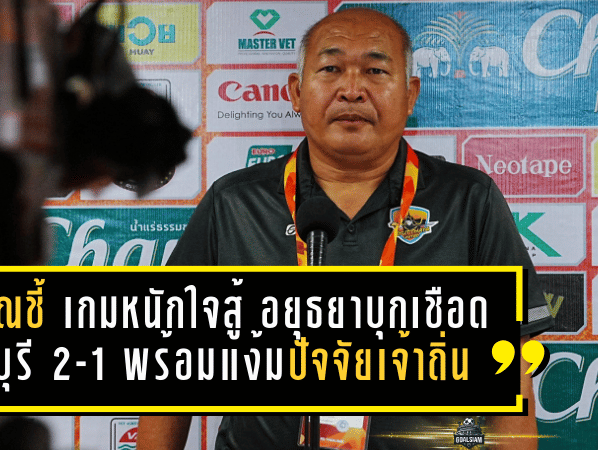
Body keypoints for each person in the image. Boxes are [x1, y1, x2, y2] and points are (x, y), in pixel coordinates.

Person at [137, 7, 553, 450]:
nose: (352, 90)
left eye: (375, 70)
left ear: (410, 94)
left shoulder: (469, 201)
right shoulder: (235, 203)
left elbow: (511, 379)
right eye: (331, 69)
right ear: (296, 91)